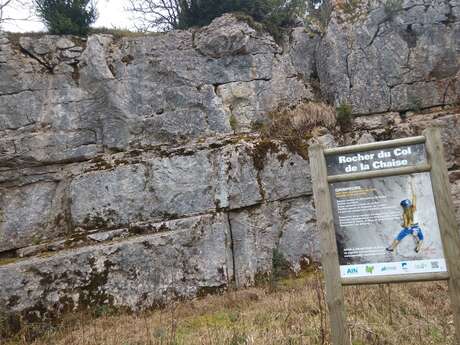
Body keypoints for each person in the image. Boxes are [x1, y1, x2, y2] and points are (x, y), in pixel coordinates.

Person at [386, 179, 424, 253]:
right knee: (421, 238)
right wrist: (411, 184)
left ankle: (391, 248)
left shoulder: (404, 214)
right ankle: (418, 248)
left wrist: (402, 225)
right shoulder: (414, 209)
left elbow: (406, 225)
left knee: (399, 237)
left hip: (409, 228)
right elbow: (414, 196)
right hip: (416, 227)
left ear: (403, 207)